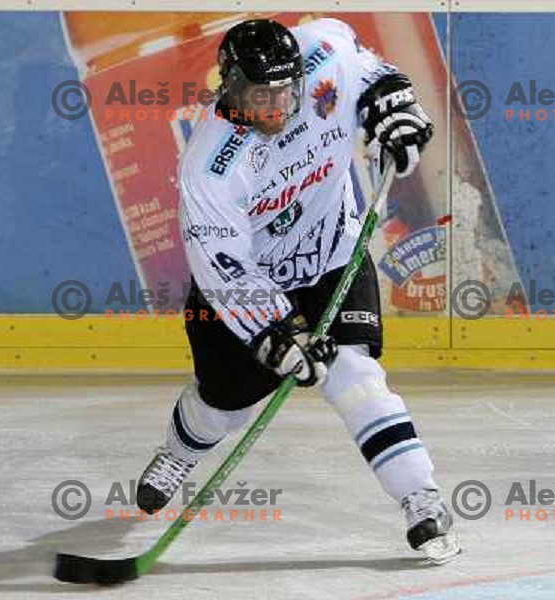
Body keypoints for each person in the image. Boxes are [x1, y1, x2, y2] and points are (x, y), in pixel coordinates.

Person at [136, 17, 460, 563]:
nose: (277, 107)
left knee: (355, 376)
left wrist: (393, 104)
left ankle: (420, 498)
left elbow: (371, 69)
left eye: (285, 92)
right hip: (249, 295)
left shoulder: (323, 52)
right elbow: (225, 268)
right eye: (260, 95)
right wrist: (277, 335)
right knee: (224, 406)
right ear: (230, 85)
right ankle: (176, 454)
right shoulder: (211, 168)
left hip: (333, 256)